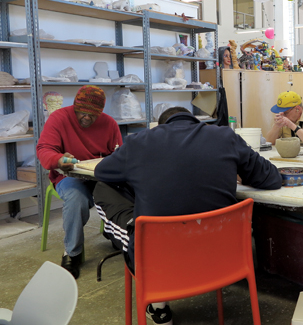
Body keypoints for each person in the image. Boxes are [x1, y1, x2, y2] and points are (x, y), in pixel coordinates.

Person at [93, 107, 281, 325]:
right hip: (225, 258)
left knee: (102, 189)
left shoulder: (139, 141)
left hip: (160, 263)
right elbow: (272, 178)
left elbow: (102, 173)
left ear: (161, 127)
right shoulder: (225, 135)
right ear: (196, 121)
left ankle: (158, 305)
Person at [36, 85, 122, 279]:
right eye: (82, 112)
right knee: (76, 199)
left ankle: (117, 234)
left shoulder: (109, 124)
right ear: (75, 105)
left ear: (100, 113)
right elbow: (44, 149)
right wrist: (58, 160)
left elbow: (119, 154)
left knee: (124, 192)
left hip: (99, 176)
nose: (86, 117)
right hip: (67, 175)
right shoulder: (58, 118)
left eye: (93, 114)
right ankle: (72, 253)